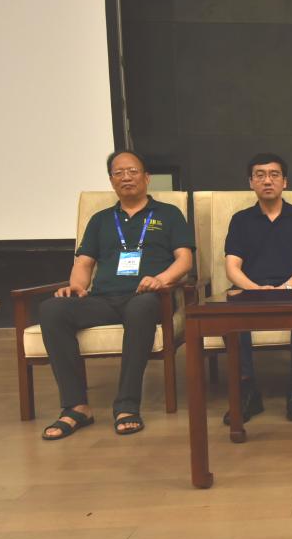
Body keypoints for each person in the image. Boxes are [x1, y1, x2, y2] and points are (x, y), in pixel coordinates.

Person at [39, 151, 194, 439]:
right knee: (52, 309)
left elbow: (184, 260)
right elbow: (84, 263)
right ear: (111, 181)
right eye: (118, 173)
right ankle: (76, 406)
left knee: (140, 308)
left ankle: (126, 405)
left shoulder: (168, 214)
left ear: (146, 177)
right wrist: (77, 286)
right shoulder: (100, 220)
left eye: (132, 171)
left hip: (150, 297)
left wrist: (160, 280)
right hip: (103, 299)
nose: (126, 177)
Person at [223, 153, 292, 422]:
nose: (267, 181)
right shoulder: (240, 220)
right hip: (250, 290)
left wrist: (286, 289)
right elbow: (232, 267)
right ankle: (247, 389)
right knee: (230, 314)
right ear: (251, 182)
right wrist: (255, 290)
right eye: (260, 175)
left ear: (284, 182)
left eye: (274, 175)